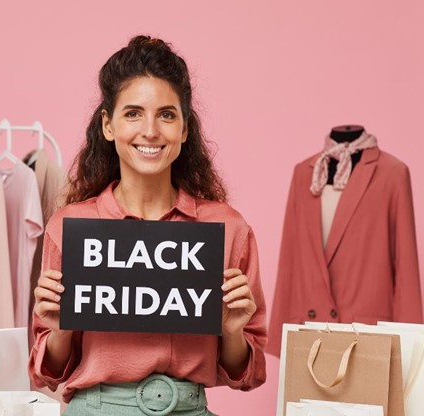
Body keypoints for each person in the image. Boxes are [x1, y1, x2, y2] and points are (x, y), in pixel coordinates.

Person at [29, 35, 267, 416]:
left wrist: (232, 329)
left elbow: (247, 374)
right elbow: (50, 373)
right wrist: (60, 328)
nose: (151, 130)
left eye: (167, 115)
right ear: (108, 125)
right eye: (133, 113)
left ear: (185, 128)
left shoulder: (227, 229)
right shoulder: (70, 227)